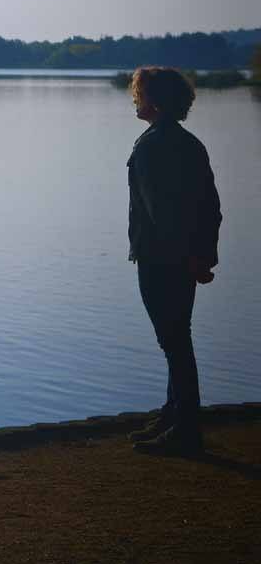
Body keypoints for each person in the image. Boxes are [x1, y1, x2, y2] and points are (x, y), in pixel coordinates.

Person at [125, 66, 221, 454]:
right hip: (183, 257)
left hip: (160, 258)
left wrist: (186, 257)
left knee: (175, 342)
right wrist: (202, 256)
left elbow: (160, 211)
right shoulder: (189, 142)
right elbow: (210, 208)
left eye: (140, 93)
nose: (135, 99)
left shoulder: (150, 146)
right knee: (177, 337)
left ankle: (185, 430)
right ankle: (174, 415)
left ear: (156, 101)